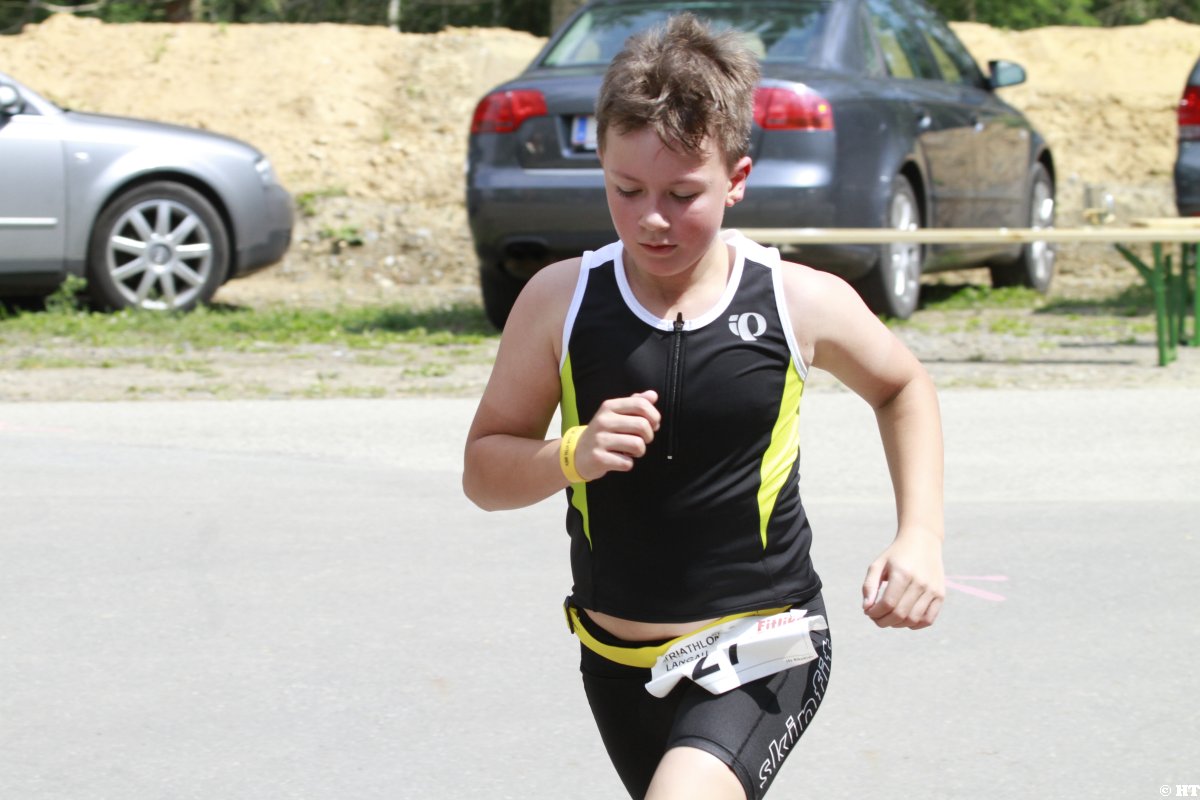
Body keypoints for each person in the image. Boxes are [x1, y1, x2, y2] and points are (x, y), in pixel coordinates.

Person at [462, 12, 945, 800]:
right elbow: (484, 472)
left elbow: (903, 387)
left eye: (683, 194)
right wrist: (569, 454)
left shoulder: (796, 300)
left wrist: (919, 535)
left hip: (765, 647)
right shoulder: (560, 300)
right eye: (626, 190)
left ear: (737, 178)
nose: (651, 218)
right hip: (618, 665)